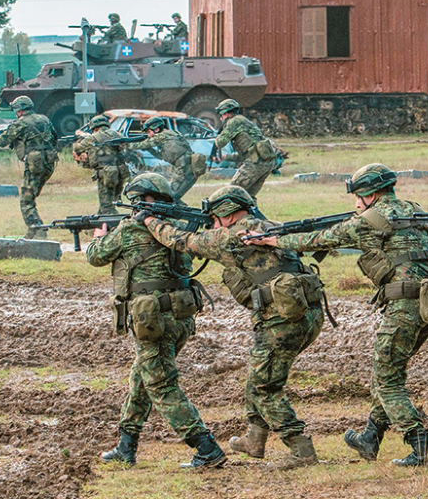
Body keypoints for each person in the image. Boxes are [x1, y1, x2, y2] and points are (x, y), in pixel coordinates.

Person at [248, 163, 428, 467]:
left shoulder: (370, 219)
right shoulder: (413, 210)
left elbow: (319, 239)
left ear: (372, 194)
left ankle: (422, 449)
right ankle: (371, 437)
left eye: (359, 195)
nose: (356, 203)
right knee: (387, 373)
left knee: (387, 381)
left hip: (405, 305)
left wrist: (272, 240)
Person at [142, 185, 327, 470]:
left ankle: (300, 448)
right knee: (259, 375)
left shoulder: (228, 237)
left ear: (227, 214)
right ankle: (254, 438)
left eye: (215, 218)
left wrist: (149, 220)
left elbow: (181, 240)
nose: (213, 223)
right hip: (309, 313)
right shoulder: (269, 227)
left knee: (265, 386)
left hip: (281, 321)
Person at [89, 173, 226, 469]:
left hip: (153, 321)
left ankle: (205, 446)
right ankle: (126, 445)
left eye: (138, 201)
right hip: (178, 317)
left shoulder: (130, 230)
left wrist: (98, 238)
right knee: (141, 381)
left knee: (161, 385)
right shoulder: (177, 227)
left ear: (146, 201)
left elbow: (96, 256)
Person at [0, 96, 58, 239]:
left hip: (34, 164)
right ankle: (33, 231)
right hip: (49, 162)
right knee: (30, 197)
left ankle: (38, 230)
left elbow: (1, 141)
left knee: (26, 200)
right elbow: (55, 137)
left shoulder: (21, 123)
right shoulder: (44, 119)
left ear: (20, 110)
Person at [213, 99, 284, 196]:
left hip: (255, 164)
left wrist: (217, 137)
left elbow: (220, 142)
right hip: (265, 163)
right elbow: (247, 154)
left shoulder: (233, 121)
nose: (220, 118)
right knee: (247, 197)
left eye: (220, 115)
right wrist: (225, 157)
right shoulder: (242, 120)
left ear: (225, 113)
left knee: (231, 193)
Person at [126, 117, 201, 202]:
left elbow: (140, 145)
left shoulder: (161, 136)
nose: (148, 136)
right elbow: (161, 156)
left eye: (149, 132)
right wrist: (150, 150)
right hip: (190, 169)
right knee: (173, 196)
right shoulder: (172, 134)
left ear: (157, 129)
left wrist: (124, 144)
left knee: (169, 197)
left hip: (184, 170)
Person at [73, 114, 130, 214]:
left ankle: (112, 225)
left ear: (95, 127)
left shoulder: (94, 137)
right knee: (109, 202)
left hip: (106, 174)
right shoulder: (116, 134)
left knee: (107, 206)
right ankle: (99, 225)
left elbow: (78, 148)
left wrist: (83, 137)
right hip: (120, 173)